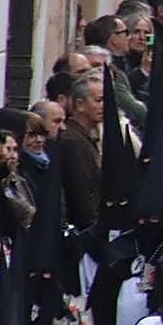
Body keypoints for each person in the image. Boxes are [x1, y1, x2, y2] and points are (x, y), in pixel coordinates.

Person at [58, 72, 105, 229]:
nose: (103, 106)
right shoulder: (72, 141)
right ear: (80, 104)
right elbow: (80, 192)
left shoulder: (85, 138)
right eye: (98, 100)